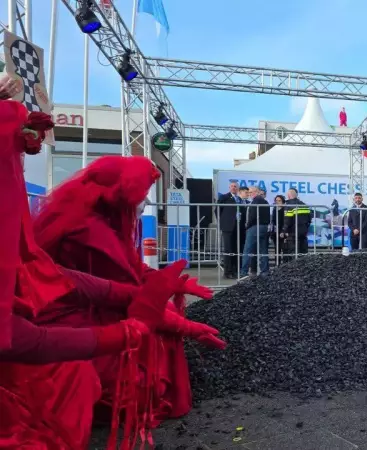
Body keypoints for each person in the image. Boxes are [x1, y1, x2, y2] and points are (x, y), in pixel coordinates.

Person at [0, 96, 179, 449]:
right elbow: (26, 338)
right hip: (61, 323)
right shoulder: (89, 232)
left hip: (56, 319)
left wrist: (153, 296)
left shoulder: (96, 225)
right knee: (77, 376)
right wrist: (139, 327)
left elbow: (91, 283)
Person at [32, 155, 224, 432]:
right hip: (75, 321)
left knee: (163, 317)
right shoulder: (90, 235)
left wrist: (174, 284)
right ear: (119, 196)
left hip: (96, 303)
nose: (144, 202)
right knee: (158, 332)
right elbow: (126, 297)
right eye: (143, 195)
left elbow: (132, 274)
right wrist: (186, 326)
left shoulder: (99, 224)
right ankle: (122, 402)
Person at [241, 186, 270, 276]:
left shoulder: (256, 201)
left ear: (255, 192)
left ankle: (243, 272)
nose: (249, 194)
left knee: (247, 249)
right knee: (263, 250)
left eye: (250, 192)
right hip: (264, 227)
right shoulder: (265, 201)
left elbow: (253, 216)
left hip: (255, 227)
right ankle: (264, 271)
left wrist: (248, 226)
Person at [218, 181, 243, 279]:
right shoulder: (224, 197)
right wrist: (223, 222)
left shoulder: (239, 199)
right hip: (228, 227)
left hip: (238, 227)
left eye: (235, 186)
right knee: (228, 249)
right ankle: (227, 272)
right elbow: (218, 210)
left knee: (236, 249)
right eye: (232, 186)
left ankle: (235, 270)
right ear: (229, 187)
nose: (234, 188)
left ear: (238, 188)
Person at [282, 188, 311, 258]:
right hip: (303, 232)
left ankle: (295, 268)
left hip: (293, 233)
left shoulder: (289, 206)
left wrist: (284, 231)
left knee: (294, 253)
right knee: (303, 253)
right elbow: (309, 219)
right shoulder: (304, 205)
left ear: (288, 195)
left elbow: (287, 221)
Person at [271, 195, 286, 264]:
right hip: (275, 232)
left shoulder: (285, 209)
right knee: (277, 250)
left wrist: (283, 231)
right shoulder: (274, 209)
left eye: (279, 200)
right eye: (276, 201)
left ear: (283, 201)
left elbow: (286, 221)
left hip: (283, 232)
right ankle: (277, 265)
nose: (277, 202)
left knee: (285, 249)